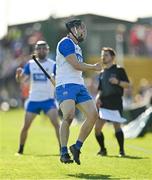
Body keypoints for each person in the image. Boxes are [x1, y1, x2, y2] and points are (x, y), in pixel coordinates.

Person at [55, 19, 102, 165]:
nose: (84, 32)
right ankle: (63, 152)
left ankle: (77, 147)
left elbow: (78, 67)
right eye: (82, 29)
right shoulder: (65, 43)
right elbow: (76, 65)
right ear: (74, 30)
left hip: (79, 85)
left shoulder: (77, 47)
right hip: (66, 85)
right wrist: (94, 67)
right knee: (69, 115)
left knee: (93, 115)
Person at [15, 40, 60, 155]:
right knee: (25, 126)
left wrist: (55, 79)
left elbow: (58, 81)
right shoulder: (30, 64)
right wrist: (18, 76)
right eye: (39, 48)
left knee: (57, 125)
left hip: (48, 100)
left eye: (44, 48)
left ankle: (62, 149)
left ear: (48, 50)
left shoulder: (53, 64)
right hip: (34, 100)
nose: (41, 50)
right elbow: (22, 80)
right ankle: (20, 150)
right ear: (35, 50)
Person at [95, 47, 130, 157]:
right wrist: (97, 98)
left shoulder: (119, 70)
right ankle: (103, 149)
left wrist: (117, 82)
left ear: (112, 57)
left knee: (117, 127)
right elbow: (100, 89)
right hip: (104, 102)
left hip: (115, 101)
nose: (103, 57)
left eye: (106, 55)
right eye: (102, 55)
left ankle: (121, 150)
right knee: (97, 129)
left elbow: (127, 85)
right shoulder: (102, 72)